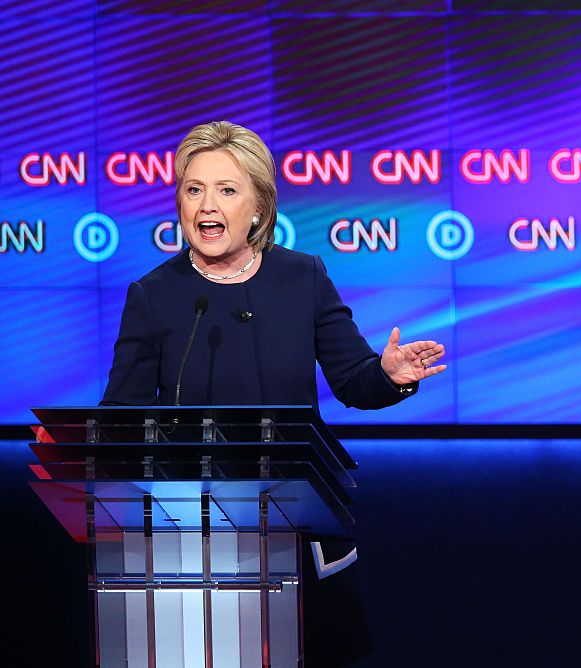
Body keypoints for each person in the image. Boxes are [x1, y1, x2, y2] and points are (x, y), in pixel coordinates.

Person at [102, 120, 447, 664]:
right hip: (195, 541)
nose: (206, 204)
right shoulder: (154, 296)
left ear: (259, 206)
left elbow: (353, 379)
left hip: (299, 530)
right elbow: (119, 420)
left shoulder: (302, 277)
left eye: (226, 189)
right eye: (194, 189)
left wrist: (388, 374)